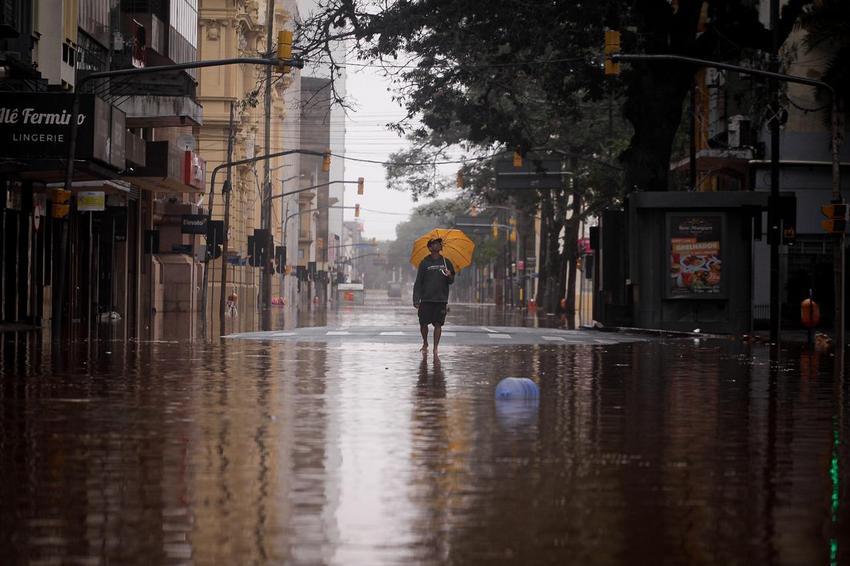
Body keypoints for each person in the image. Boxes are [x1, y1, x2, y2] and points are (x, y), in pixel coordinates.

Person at [413, 238, 455, 355]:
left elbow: (451, 281)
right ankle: (425, 342)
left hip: (441, 299)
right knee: (423, 323)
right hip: (426, 299)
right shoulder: (424, 263)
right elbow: (418, 282)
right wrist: (416, 299)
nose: (437, 245)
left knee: (438, 324)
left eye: (439, 244)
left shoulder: (446, 263)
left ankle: (435, 348)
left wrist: (449, 275)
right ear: (430, 247)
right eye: (434, 244)